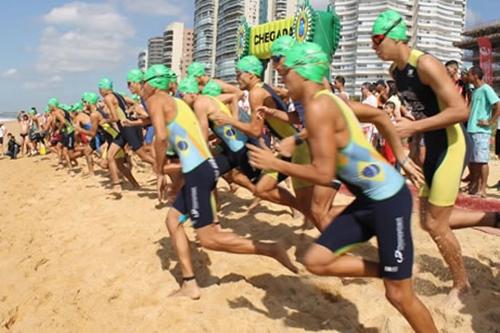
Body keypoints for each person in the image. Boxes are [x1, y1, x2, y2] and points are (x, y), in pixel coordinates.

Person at [247, 41, 437, 333]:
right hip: (367, 200)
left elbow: (323, 173)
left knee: (399, 295)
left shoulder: (321, 104)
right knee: (316, 259)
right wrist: (295, 140)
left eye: (286, 76)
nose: (283, 82)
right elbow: (323, 130)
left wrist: (277, 163)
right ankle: (391, 270)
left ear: (304, 74)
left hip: (389, 199)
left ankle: (395, 276)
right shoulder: (325, 101)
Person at [372, 9, 500, 306]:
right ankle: (492, 218)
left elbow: (460, 111)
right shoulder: (396, 73)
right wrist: (416, 144)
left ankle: (462, 284)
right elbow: (419, 112)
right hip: (431, 145)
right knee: (428, 221)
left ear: (396, 37)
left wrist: (415, 127)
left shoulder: (425, 64)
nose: (374, 47)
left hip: (453, 145)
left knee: (437, 224)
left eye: (378, 40)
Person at [143, 64, 297, 300]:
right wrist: (176, 183)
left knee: (209, 239)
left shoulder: (156, 99)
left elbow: (161, 137)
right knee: (173, 220)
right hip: (202, 167)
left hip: (199, 170)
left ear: (151, 83)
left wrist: (158, 169)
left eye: (141, 83)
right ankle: (189, 282)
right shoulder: (180, 104)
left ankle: (270, 248)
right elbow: (192, 143)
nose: (140, 89)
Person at [466, 66, 500, 197]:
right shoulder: (475, 91)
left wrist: (490, 122)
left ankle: (483, 188)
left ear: (475, 75)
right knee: (473, 161)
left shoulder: (486, 89)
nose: (467, 76)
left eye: (469, 74)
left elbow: (498, 105)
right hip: (471, 129)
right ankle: (475, 185)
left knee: (482, 161)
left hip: (481, 131)